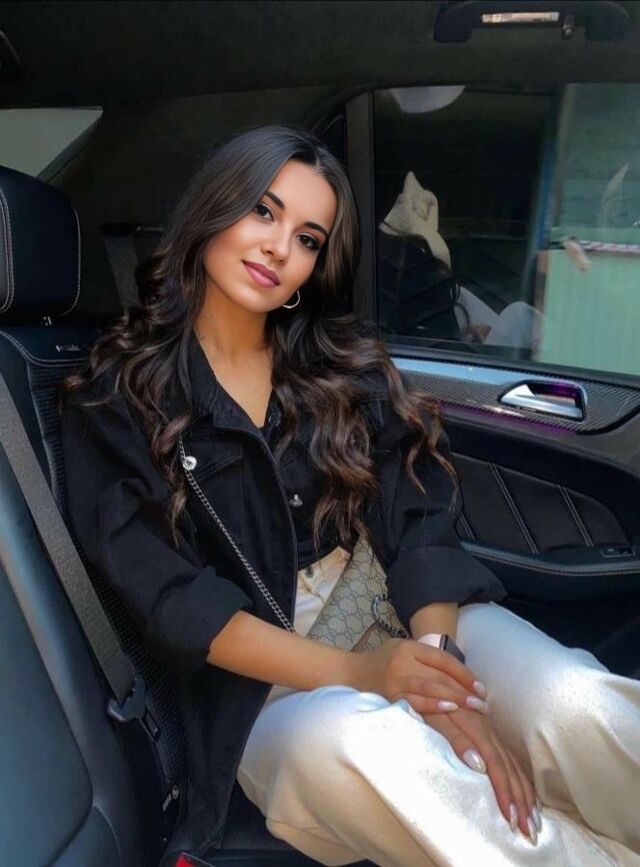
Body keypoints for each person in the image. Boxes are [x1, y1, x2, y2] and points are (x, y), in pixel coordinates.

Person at [59, 126, 640, 867]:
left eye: (307, 238)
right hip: (264, 679)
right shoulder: (117, 397)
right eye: (262, 212)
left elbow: (416, 519)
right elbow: (176, 601)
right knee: (368, 750)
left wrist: (435, 666)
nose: (278, 248)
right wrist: (368, 675)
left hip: (397, 604)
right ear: (213, 208)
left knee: (572, 702)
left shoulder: (337, 363)